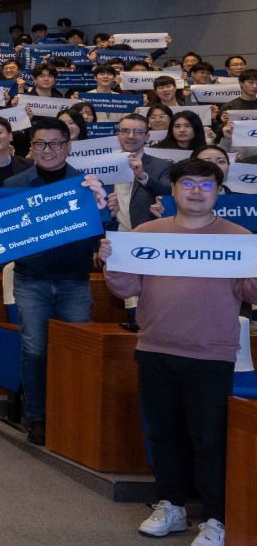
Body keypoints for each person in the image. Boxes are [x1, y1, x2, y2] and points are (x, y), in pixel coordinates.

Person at [101, 158, 257, 546]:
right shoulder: (147, 232)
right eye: (188, 184)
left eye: (206, 185)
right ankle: (171, 505)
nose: (196, 192)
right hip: (155, 348)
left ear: (219, 192)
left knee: (209, 439)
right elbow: (123, 290)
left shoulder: (240, 238)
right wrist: (112, 260)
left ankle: (215, 518)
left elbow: (252, 295)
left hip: (212, 355)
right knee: (165, 434)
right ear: (173, 190)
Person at [1, 116, 106, 444]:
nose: (48, 150)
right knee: (35, 349)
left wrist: (106, 210)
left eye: (55, 144)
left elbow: (100, 232)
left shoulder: (88, 183)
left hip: (75, 279)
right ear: (31, 148)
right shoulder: (14, 186)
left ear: (68, 146)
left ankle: (72, 414)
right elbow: (4, 235)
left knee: (77, 349)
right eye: (40, 144)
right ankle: (37, 416)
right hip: (31, 278)